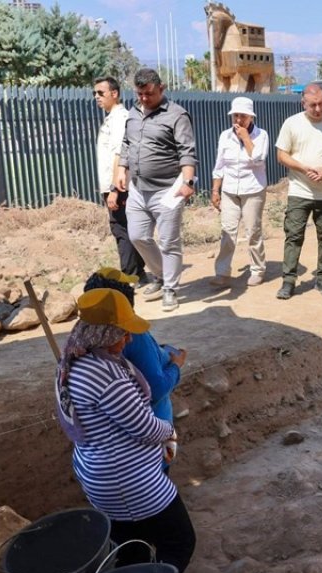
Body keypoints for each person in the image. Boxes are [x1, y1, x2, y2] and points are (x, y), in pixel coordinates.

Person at [55, 289, 196, 573]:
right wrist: (169, 430)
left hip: (103, 476)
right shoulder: (106, 377)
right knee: (180, 541)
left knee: (133, 549)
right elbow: (145, 428)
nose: (128, 339)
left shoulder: (76, 362)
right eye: (122, 333)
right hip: (129, 482)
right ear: (103, 334)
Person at [114, 68, 198, 313]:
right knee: (137, 236)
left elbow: (187, 151)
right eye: (139, 94)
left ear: (161, 89)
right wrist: (121, 169)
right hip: (138, 189)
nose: (143, 99)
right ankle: (161, 276)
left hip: (167, 190)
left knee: (169, 241)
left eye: (148, 94)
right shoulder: (133, 112)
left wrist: (188, 182)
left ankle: (170, 288)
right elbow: (127, 143)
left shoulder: (177, 115)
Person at [274, 84, 322, 300]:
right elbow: (282, 155)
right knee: (294, 236)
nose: (317, 109)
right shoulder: (292, 124)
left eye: (321, 104)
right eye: (313, 105)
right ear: (303, 103)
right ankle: (288, 281)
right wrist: (305, 168)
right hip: (299, 191)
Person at [83, 268, 185, 422]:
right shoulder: (134, 335)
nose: (128, 338)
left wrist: (158, 351)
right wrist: (176, 366)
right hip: (152, 427)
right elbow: (156, 389)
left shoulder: (84, 334)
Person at [211, 96, 269, 288]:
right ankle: (222, 272)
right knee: (228, 231)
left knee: (253, 231)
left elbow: (258, 160)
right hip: (229, 190)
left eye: (242, 116)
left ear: (251, 117)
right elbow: (220, 165)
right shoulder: (224, 136)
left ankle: (258, 270)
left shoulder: (261, 135)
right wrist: (215, 190)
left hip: (253, 189)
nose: (238, 120)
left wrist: (246, 137)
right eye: (235, 116)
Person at [95, 75, 147, 285]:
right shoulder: (113, 118)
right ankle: (138, 272)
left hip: (119, 185)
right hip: (116, 184)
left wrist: (114, 189)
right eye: (95, 94)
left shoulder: (119, 119)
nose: (97, 97)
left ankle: (130, 274)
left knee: (121, 228)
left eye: (101, 93)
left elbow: (120, 154)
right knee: (127, 228)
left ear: (114, 94)